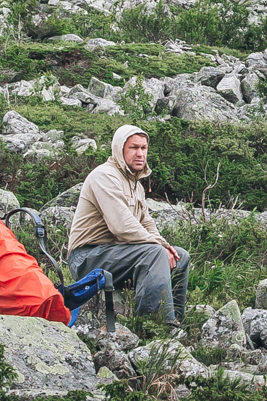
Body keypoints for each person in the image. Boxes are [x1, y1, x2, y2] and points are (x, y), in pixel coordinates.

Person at [67, 124, 189, 327]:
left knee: (180, 257)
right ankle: (153, 325)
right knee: (154, 254)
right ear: (119, 149)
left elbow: (146, 223)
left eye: (144, 148)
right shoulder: (105, 176)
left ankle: (175, 320)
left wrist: (166, 246)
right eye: (133, 148)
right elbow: (122, 227)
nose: (140, 153)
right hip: (87, 257)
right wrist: (159, 249)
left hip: (117, 254)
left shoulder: (135, 184)